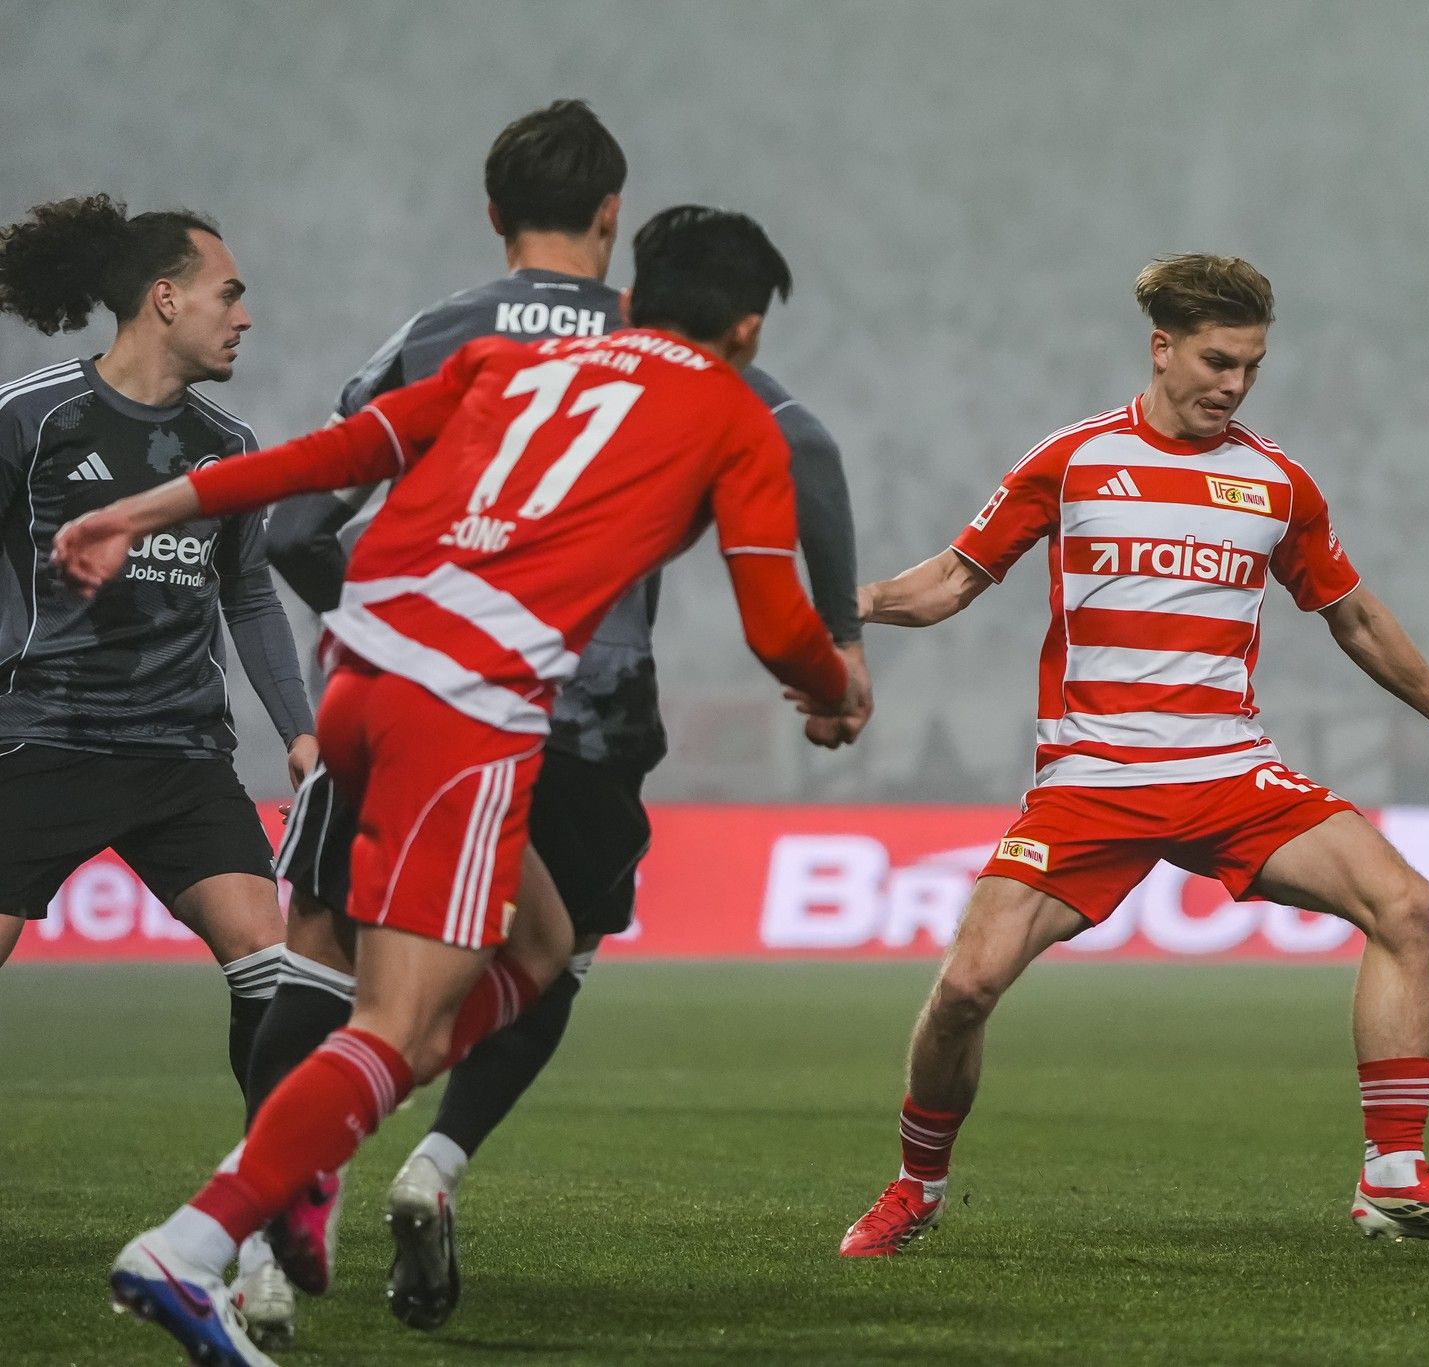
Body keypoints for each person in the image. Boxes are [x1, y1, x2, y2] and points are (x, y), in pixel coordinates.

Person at [60, 205, 860, 1367]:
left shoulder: (507, 361)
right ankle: (187, 1247)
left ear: (634, 303)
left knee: (540, 943)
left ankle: (319, 1124)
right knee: (394, 1020)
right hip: (463, 709)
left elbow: (324, 465)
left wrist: (145, 504)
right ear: (742, 332)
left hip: (361, 680)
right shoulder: (734, 411)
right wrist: (836, 686)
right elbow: (779, 622)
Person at [244, 98, 867, 1342]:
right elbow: (806, 449)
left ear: (492, 212)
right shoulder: (668, 349)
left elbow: (296, 525)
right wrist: (836, 642)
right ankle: (436, 1166)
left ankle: (266, 1245)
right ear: (611, 218)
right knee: (548, 954)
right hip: (585, 719)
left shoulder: (438, 335)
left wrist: (385, 621)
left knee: (323, 948)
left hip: (420, 697)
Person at [831, 254, 1429, 1258]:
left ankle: (1393, 1175)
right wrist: (849, 602)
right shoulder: (1072, 460)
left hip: (1229, 775)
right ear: (1161, 347)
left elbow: (1357, 617)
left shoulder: (1275, 483)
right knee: (962, 990)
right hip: (1093, 784)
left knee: (1407, 905)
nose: (1234, 385)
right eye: (1217, 361)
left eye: (1252, 365)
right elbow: (952, 579)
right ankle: (917, 1185)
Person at [0, 195, 313, 1144]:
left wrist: (300, 730)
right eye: (231, 293)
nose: (245, 316)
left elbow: (250, 598)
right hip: (40, 738)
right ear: (166, 298)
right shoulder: (32, 418)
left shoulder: (228, 449)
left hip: (180, 753)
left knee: (271, 962)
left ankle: (271, 1193)